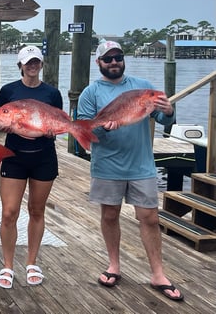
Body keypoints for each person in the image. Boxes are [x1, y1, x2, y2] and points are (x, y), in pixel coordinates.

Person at [78, 41, 183, 301]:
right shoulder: (90, 93)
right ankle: (114, 265)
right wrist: (104, 127)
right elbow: (85, 130)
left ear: (123, 60)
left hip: (142, 165)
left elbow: (163, 119)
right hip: (107, 165)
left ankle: (158, 274)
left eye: (118, 57)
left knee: (149, 217)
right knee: (110, 214)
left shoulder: (142, 87)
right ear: (98, 62)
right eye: (108, 59)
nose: (114, 62)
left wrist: (169, 111)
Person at [0, 46, 61, 288]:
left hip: (44, 156)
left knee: (36, 210)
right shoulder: (8, 91)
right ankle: (8, 265)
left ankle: (32, 262)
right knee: (9, 212)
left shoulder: (52, 93)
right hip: (14, 156)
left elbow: (56, 120)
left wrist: (54, 131)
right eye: (27, 62)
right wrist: (3, 126)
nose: (32, 66)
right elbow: (0, 116)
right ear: (20, 65)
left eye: (36, 62)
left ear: (41, 64)